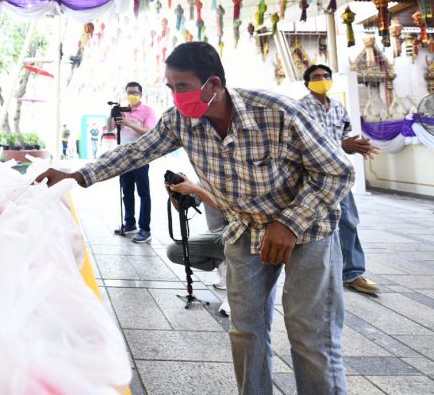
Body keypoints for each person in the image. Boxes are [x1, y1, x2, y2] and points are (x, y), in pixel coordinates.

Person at [38, 42, 355, 394]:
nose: (176, 97)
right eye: (170, 88)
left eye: (183, 87)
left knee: (310, 334)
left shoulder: (278, 112)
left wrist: (290, 223)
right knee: (246, 330)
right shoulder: (180, 122)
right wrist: (78, 176)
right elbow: (136, 152)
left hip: (308, 230)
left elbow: (337, 173)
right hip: (245, 229)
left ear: (213, 85)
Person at [300, 64, 381, 295]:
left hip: (338, 174)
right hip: (312, 176)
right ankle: (315, 274)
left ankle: (352, 273)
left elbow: (345, 134)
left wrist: (356, 145)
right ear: (307, 83)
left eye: (326, 76)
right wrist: (341, 145)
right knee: (311, 224)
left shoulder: (337, 107)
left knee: (348, 221)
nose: (322, 79)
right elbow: (304, 142)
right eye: (316, 77)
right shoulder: (301, 108)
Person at [166, 175, 229, 315]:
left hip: (239, 234)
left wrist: (197, 190)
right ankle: (222, 262)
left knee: (233, 242)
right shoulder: (205, 178)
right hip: (215, 236)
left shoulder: (238, 176)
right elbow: (184, 206)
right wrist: (173, 192)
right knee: (173, 250)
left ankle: (233, 295)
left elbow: (231, 211)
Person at [112, 82, 157, 244]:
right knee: (127, 191)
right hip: (124, 156)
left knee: (143, 193)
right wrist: (112, 115)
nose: (132, 95)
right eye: (129, 92)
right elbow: (110, 128)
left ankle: (145, 228)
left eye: (135, 92)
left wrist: (129, 122)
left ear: (140, 93)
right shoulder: (122, 110)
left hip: (141, 156)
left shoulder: (148, 111)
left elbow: (150, 131)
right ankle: (129, 223)